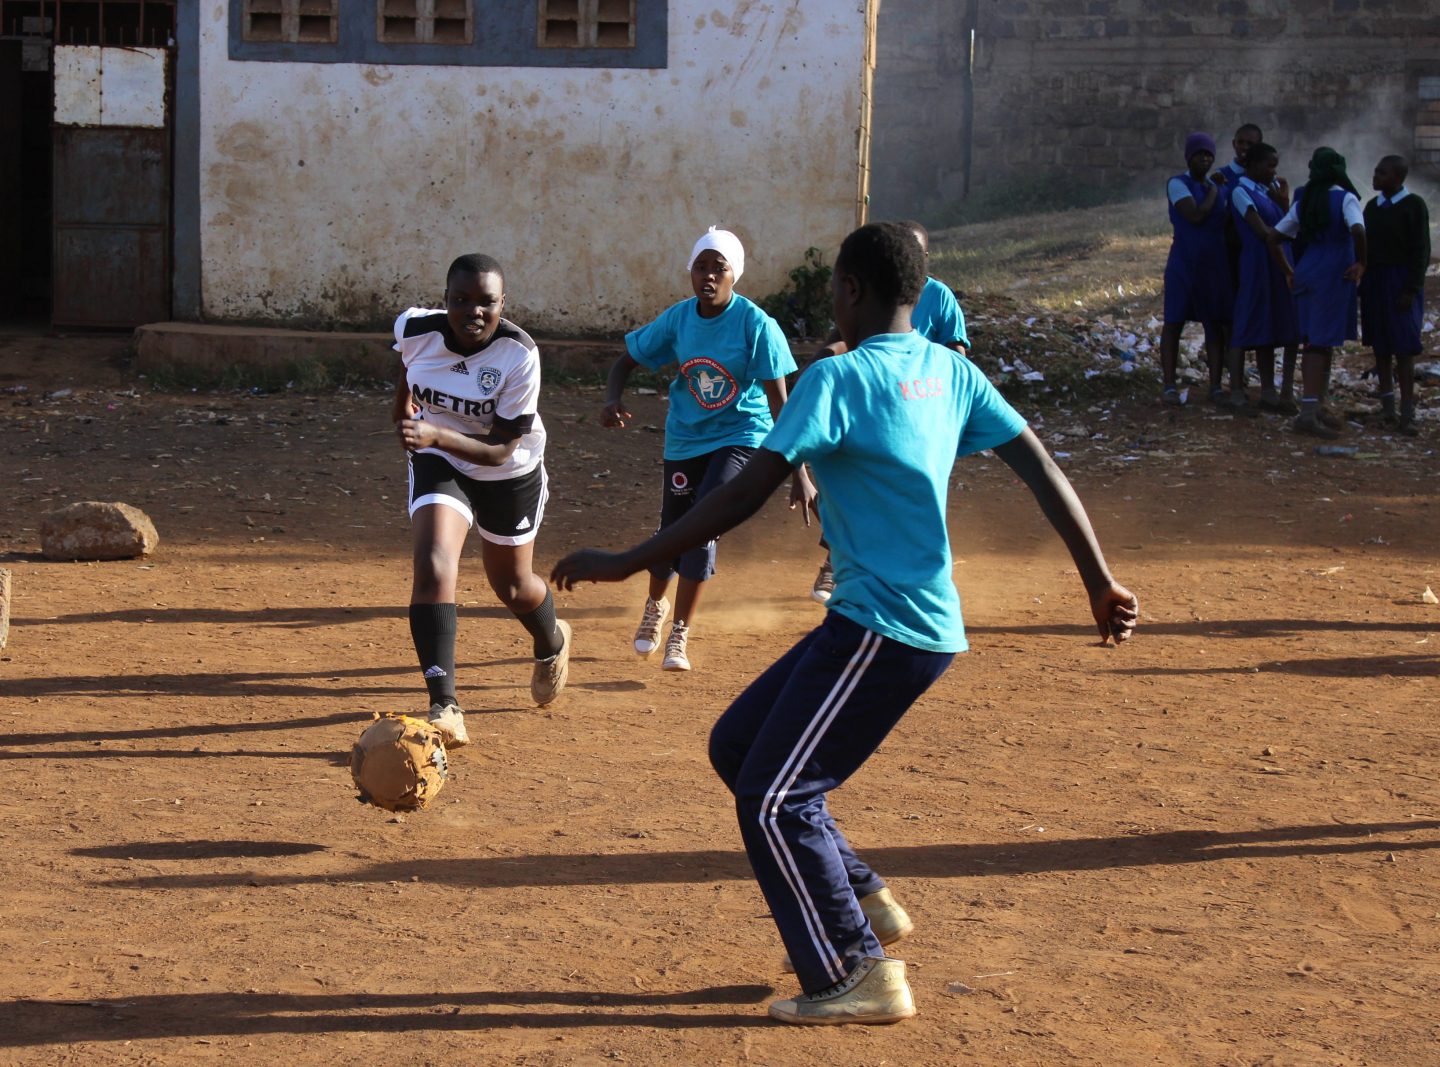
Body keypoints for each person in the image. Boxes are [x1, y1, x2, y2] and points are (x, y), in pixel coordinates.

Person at [553, 221, 1138, 1026]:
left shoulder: (838, 378)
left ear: (853, 290)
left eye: (833, 287)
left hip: (886, 629)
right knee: (737, 747)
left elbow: (742, 492)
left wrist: (628, 559)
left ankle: (855, 967)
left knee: (770, 798)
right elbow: (1040, 465)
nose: (830, 300)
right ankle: (860, 888)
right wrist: (1099, 582)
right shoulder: (950, 371)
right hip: (882, 623)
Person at [600, 226, 816, 671]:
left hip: (741, 435)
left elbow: (780, 403)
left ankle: (680, 632)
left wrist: (800, 471)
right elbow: (626, 361)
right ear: (690, 273)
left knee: (705, 523)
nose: (709, 277)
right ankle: (655, 606)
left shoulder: (757, 325)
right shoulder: (679, 319)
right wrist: (611, 399)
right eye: (701, 267)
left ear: (735, 274)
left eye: (719, 268)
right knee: (672, 529)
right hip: (686, 437)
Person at [391, 253, 572, 747]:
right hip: (440, 458)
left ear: (502, 304)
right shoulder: (414, 328)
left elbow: (498, 450)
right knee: (433, 564)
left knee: (512, 586)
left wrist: (433, 432)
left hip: (507, 469)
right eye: (461, 300)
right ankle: (444, 705)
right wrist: (403, 411)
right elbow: (407, 367)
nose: (473, 311)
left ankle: (551, 641)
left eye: (486, 302)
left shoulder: (519, 354)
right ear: (445, 300)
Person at [807, 219, 970, 601]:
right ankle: (836, 561)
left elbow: (957, 351)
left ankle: (920, 575)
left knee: (914, 492)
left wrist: (925, 371)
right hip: (875, 404)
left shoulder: (940, 297)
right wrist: (820, 361)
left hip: (919, 409)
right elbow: (843, 337)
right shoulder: (878, 293)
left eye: (916, 253)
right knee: (854, 482)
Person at [1273, 147, 1367, 439]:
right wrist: (1362, 262)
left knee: (1318, 339)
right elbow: (1358, 230)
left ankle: (1317, 404)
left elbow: (1274, 236)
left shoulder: (1305, 198)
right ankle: (1308, 413)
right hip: (1333, 272)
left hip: (1307, 269)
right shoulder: (1344, 197)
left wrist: (1289, 270)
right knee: (1318, 343)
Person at [1225, 142, 1299, 417]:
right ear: (1253, 166)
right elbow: (1263, 231)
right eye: (1269, 165)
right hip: (1259, 262)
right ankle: (1236, 392)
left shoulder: (1267, 191)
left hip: (1279, 261)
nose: (1273, 171)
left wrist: (1283, 202)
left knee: (1279, 322)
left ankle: (1272, 392)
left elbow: (1283, 221)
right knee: (1247, 323)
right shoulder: (1240, 192)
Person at [1159, 132, 1232, 407]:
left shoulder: (1219, 187)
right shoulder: (1179, 184)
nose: (1205, 159)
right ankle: (1169, 385)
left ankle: (1215, 385)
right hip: (1185, 262)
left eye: (1209, 155)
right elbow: (1196, 215)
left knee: (1214, 324)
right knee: (1174, 321)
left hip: (1212, 262)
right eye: (1199, 154)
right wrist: (1214, 189)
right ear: (1189, 157)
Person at [1360, 154, 1430, 437]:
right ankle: (1388, 409)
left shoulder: (1413, 205)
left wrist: (1411, 289)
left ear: (1398, 178)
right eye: (1376, 172)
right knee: (1381, 345)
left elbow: (1421, 250)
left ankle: (1407, 413)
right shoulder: (1372, 208)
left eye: (1382, 173)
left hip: (1400, 280)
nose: (1376, 177)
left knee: (1403, 346)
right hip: (1376, 280)